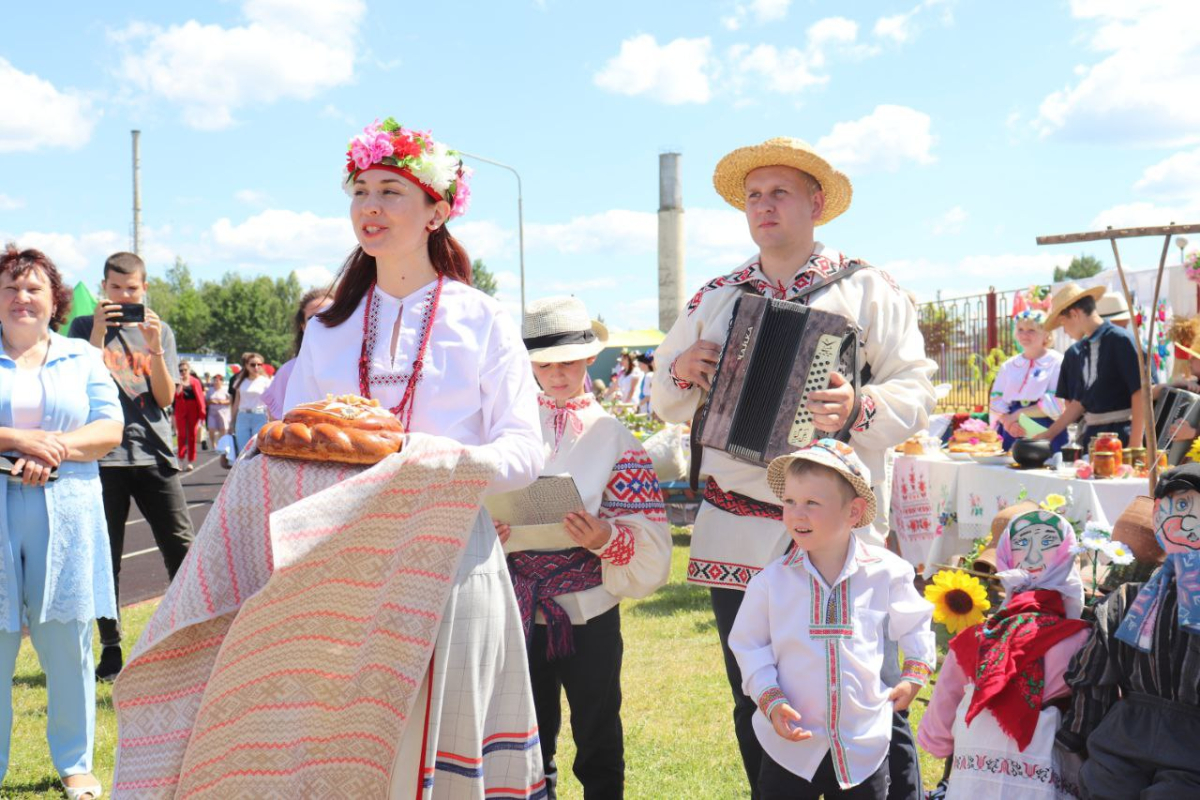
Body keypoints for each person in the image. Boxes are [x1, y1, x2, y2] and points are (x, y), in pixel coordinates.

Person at [652, 137, 936, 798]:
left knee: (870, 685)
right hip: (739, 525)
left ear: (816, 204)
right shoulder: (719, 296)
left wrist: (859, 405)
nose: (764, 206)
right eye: (754, 195)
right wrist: (682, 370)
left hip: (840, 530)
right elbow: (667, 398)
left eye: (779, 192)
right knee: (754, 689)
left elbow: (918, 389)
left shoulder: (868, 288)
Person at [284, 117, 545, 794]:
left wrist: (426, 457)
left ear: (437, 210)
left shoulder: (481, 317)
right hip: (346, 559)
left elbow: (523, 453)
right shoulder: (327, 329)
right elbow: (294, 447)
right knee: (353, 761)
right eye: (360, 190)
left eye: (391, 191)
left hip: (453, 553)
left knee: (446, 760)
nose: (369, 206)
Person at [497, 296, 671, 799]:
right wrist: (492, 530)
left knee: (596, 726)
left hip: (589, 608)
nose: (557, 374)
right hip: (518, 605)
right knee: (528, 731)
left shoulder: (614, 436)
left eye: (568, 362)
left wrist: (606, 539)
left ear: (588, 359)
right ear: (528, 364)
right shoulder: (506, 430)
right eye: (545, 365)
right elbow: (474, 500)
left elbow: (649, 535)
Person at [729, 441, 935, 799]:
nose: (797, 514)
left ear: (853, 512)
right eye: (790, 502)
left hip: (862, 743)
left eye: (812, 503)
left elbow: (914, 621)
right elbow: (748, 646)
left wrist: (915, 672)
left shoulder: (887, 572)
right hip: (791, 746)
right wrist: (771, 699)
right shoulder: (770, 582)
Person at [0, 244, 124, 800]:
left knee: (70, 644)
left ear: (54, 300)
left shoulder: (82, 356)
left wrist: (50, 449)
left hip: (66, 512)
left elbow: (109, 429)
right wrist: (16, 439)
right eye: (8, 288)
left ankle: (76, 765)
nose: (20, 298)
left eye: (32, 288)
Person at [67, 251, 194, 683]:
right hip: (104, 458)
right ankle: (111, 648)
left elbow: (163, 398)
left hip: (155, 453)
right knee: (106, 558)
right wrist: (100, 333)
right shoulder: (84, 330)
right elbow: (78, 389)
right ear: (103, 288)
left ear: (144, 289)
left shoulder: (160, 330)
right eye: (116, 288)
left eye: (132, 289)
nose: (124, 296)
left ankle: (186, 639)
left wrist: (156, 346)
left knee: (182, 548)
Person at [917, 508, 1089, 798]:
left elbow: (937, 736)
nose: (1033, 555)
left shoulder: (971, 641)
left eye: (1047, 542)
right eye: (1023, 543)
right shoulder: (1082, 641)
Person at [1057, 463, 1200, 797]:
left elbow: (1092, 681)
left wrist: (1077, 737)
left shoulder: (1125, 600)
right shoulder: (1125, 601)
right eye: (1180, 506)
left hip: (1121, 745)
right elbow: (1091, 677)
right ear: (1157, 515)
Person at [1036, 283, 1143, 452]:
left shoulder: (1120, 339)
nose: (1064, 331)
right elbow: (1079, 402)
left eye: (1063, 323)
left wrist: (1135, 447)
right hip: (1092, 438)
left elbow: (1140, 392)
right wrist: (1048, 434)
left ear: (1074, 314)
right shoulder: (1084, 347)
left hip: (1120, 437)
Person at [988, 306, 1065, 451]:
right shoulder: (1009, 366)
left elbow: (1058, 401)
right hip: (1012, 430)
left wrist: (1016, 415)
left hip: (1046, 428)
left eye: (1031, 330)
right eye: (1020, 330)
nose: (1024, 335)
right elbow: (997, 401)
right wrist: (1008, 423)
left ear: (1046, 334)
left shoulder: (1057, 361)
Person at [262, 287, 331, 420]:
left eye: (329, 314)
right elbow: (276, 425)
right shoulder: (288, 371)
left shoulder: (362, 366)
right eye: (313, 318)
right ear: (303, 326)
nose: (320, 323)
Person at [229, 351, 271, 455]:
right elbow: (236, 403)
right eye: (253, 364)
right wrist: (231, 422)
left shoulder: (266, 381)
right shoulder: (240, 381)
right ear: (246, 366)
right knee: (243, 450)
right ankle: (243, 471)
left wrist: (271, 420)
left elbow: (270, 402)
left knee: (258, 450)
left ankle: (256, 471)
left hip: (260, 416)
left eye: (259, 364)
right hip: (242, 416)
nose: (256, 367)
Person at [173, 360, 206, 471]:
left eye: (185, 370)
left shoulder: (195, 381)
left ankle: (190, 461)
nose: (183, 372)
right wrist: (180, 384)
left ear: (189, 370)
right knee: (181, 435)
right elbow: (176, 396)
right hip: (181, 409)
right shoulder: (177, 382)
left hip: (193, 409)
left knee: (192, 435)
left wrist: (202, 414)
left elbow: (200, 398)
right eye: (181, 370)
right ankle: (181, 459)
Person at [205, 373, 231, 450]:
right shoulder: (210, 390)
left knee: (222, 429)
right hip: (212, 413)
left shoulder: (225, 390)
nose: (216, 382)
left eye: (218, 381)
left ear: (221, 382)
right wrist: (212, 401)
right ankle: (213, 443)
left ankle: (221, 444)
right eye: (215, 381)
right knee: (211, 429)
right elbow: (206, 401)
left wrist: (222, 402)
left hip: (223, 413)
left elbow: (230, 401)